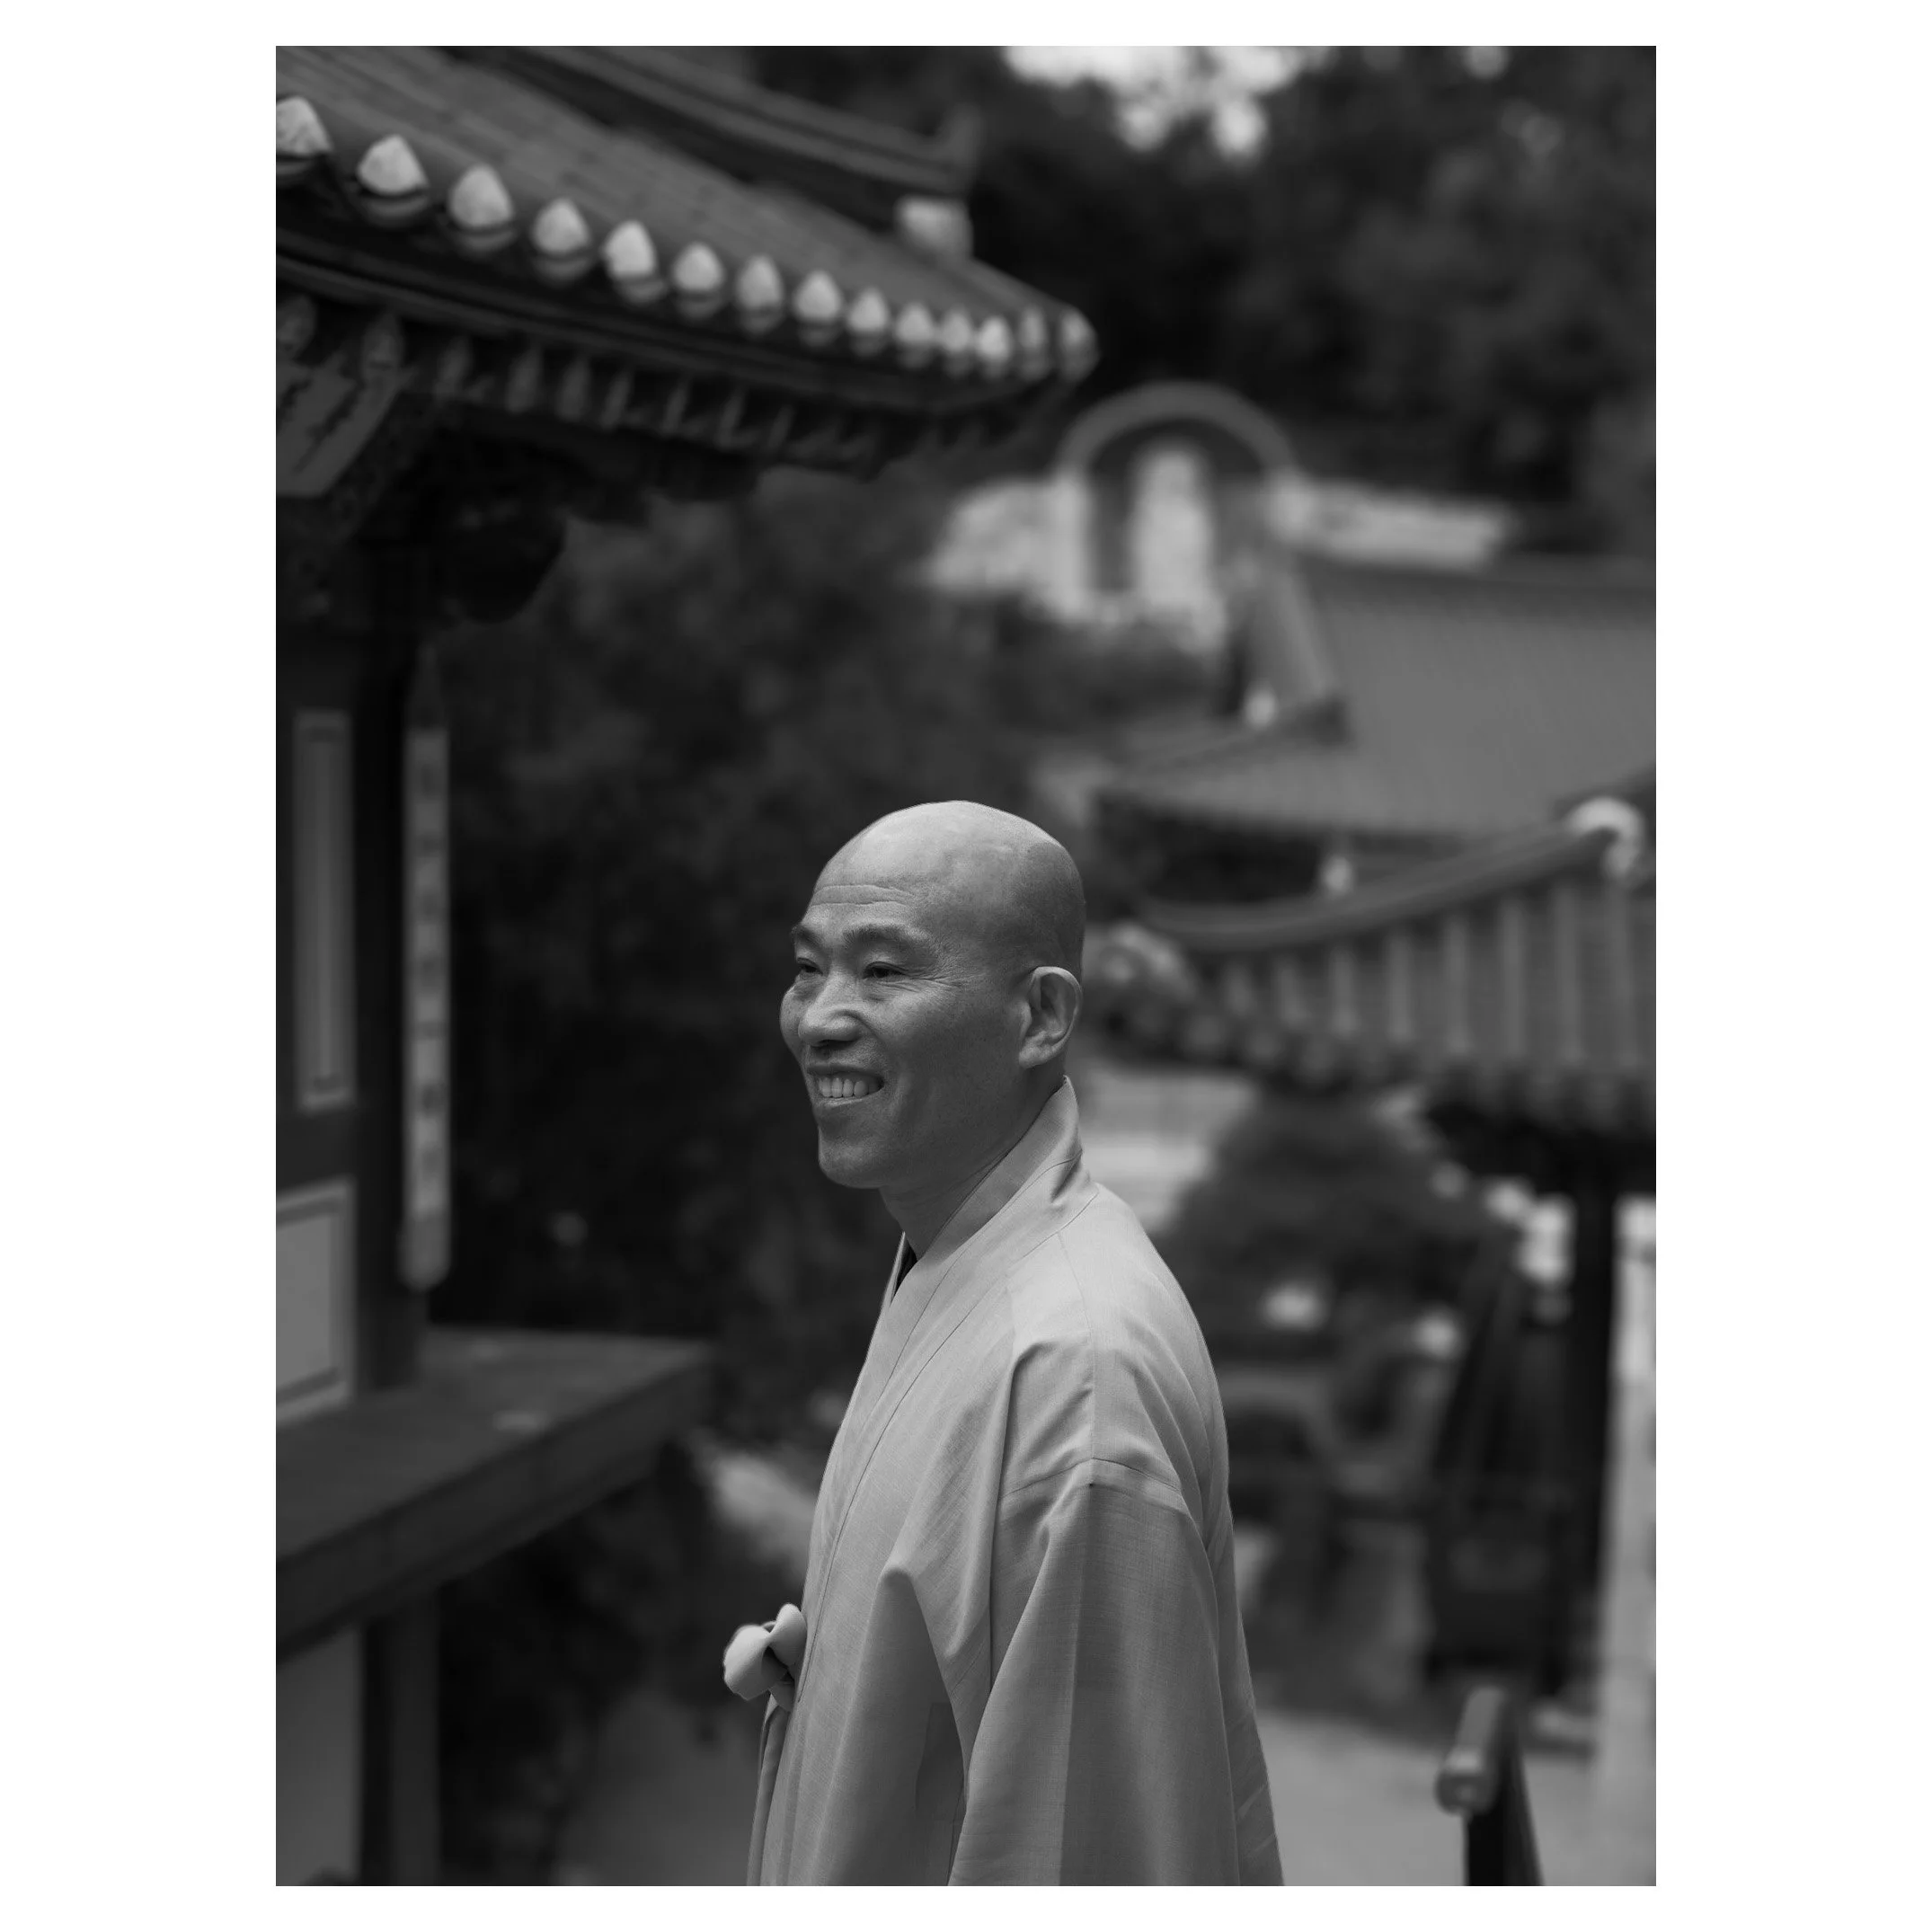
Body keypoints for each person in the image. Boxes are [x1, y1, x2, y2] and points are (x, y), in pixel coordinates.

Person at [724, 801, 1281, 1885]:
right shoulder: (954, 1251)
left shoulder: (1074, 1377)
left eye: (883, 971)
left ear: (1039, 1016)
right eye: (807, 968)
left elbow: (1087, 1859)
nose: (821, 1017)